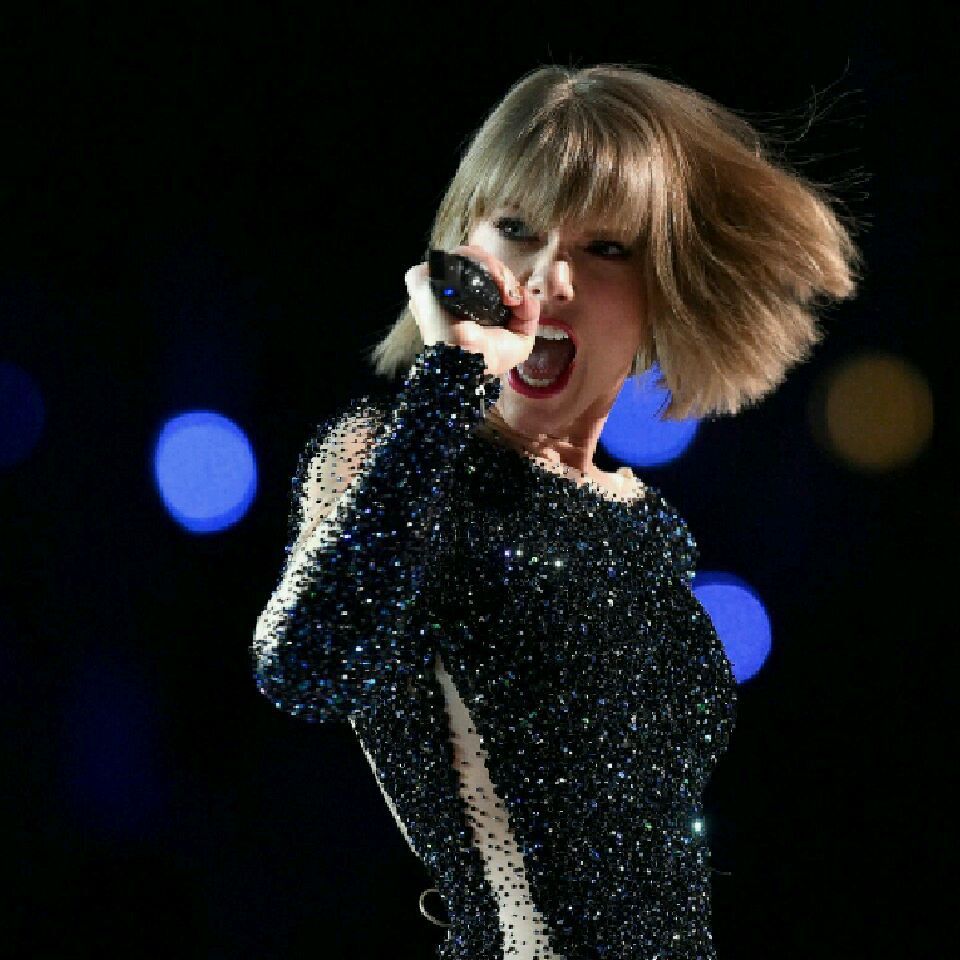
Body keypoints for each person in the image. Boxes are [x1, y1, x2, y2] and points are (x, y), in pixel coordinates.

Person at [252, 64, 858, 959]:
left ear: (662, 288)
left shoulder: (648, 524)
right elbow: (306, 669)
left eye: (605, 248)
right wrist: (449, 382)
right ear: (458, 250)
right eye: (517, 230)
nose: (547, 280)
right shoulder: (394, 459)